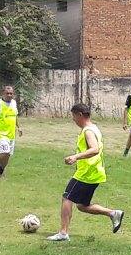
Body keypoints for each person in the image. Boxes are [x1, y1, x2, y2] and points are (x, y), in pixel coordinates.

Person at [47, 103, 124, 242]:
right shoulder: (94, 128)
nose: (73, 120)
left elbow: (94, 149)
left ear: (80, 115)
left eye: (74, 116)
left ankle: (63, 233)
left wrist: (75, 157)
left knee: (67, 197)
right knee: (82, 206)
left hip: (87, 173)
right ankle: (113, 213)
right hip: (95, 172)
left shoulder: (88, 131)